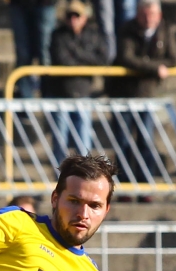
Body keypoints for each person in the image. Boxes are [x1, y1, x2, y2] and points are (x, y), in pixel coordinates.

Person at [106, 0, 176, 199]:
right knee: (123, 143)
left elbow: (173, 58)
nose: (148, 19)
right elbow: (126, 58)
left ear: (159, 15)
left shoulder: (165, 30)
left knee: (146, 141)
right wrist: (153, 68)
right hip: (123, 94)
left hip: (147, 96)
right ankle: (124, 187)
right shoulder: (127, 29)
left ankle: (145, 186)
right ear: (138, 15)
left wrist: (146, 66)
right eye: (145, 15)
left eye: (152, 15)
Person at [47, 1, 107, 164]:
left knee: (83, 141)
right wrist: (85, 58)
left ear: (85, 18)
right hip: (61, 93)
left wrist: (76, 53)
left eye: (77, 16)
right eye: (69, 16)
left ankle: (84, 174)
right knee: (60, 140)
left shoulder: (93, 35)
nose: (73, 19)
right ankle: (60, 178)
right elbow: (61, 59)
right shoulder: (58, 35)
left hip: (83, 92)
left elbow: (102, 59)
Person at [8, 0, 58, 98]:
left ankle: (48, 99)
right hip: (18, 5)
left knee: (46, 55)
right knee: (23, 55)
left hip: (45, 4)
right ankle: (25, 100)